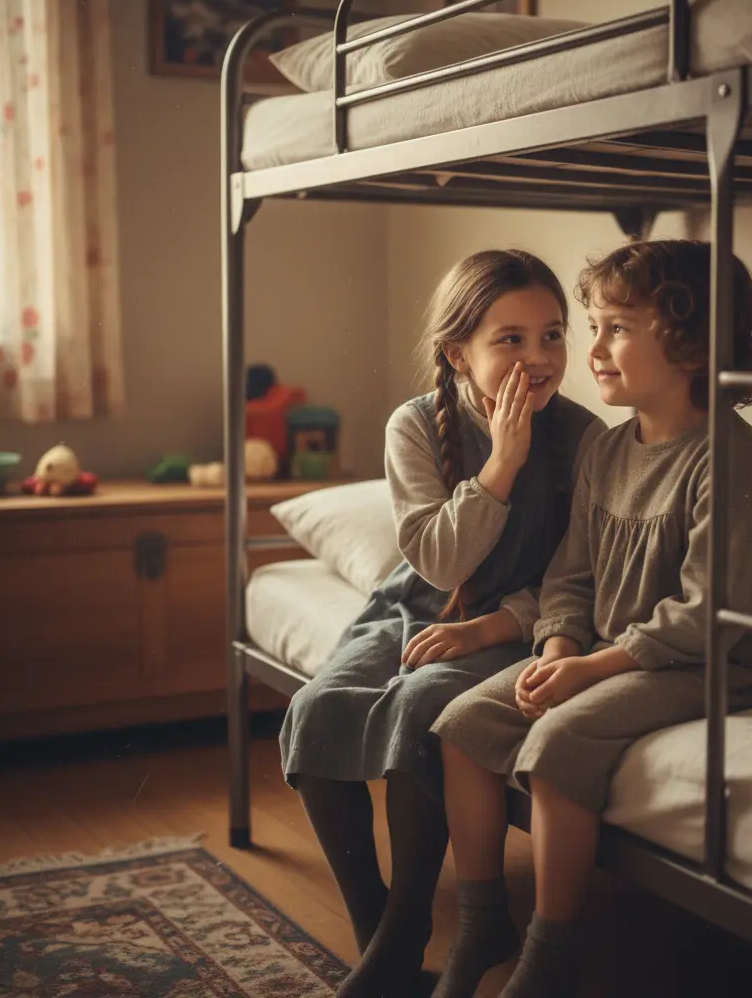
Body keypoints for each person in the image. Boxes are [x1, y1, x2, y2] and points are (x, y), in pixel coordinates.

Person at [431, 240, 752, 998]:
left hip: (714, 658)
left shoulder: (726, 458)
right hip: (611, 646)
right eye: (592, 327)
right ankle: (480, 924)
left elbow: (710, 615)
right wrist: (559, 644)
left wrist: (592, 669)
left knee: (561, 739)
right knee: (464, 724)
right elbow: (572, 575)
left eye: (616, 329)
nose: (590, 349)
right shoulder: (606, 451)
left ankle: (550, 957)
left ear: (693, 345)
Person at [279, 248, 606, 997]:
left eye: (553, 335)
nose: (539, 357)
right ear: (458, 350)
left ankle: (404, 935)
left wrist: (490, 629)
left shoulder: (584, 439)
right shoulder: (417, 426)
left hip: (514, 628)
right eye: (511, 339)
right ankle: (380, 937)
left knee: (421, 708)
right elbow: (437, 563)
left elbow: (572, 582)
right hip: (420, 607)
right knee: (318, 708)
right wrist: (500, 464)